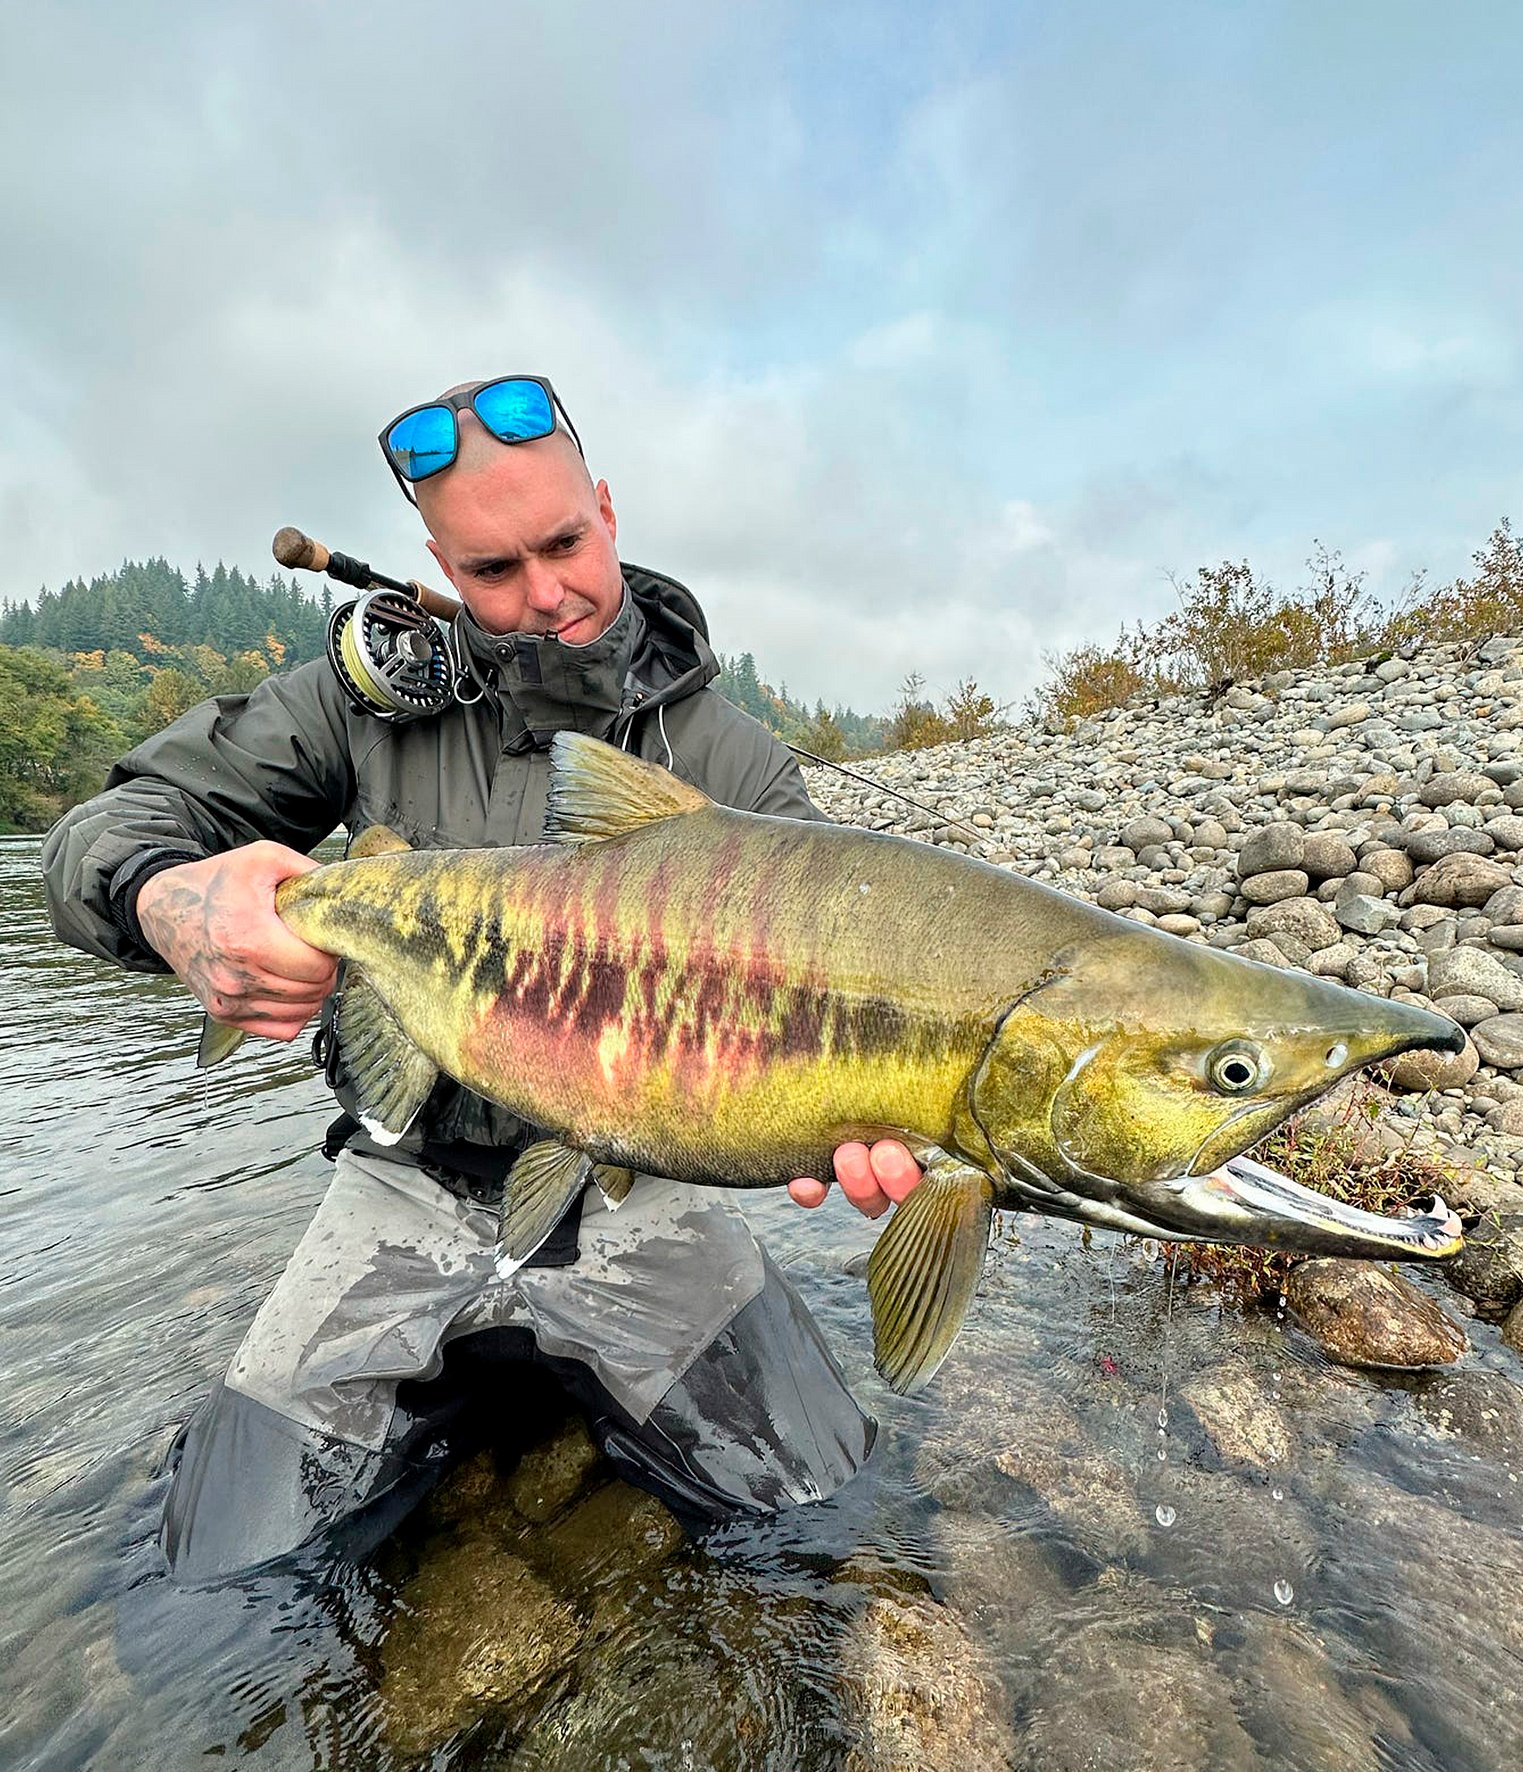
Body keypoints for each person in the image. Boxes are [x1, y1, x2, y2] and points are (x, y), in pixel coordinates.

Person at [42, 373, 921, 1586]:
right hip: (401, 1184)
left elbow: (838, 1000)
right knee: (214, 1569)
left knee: (827, 1518)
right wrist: (166, 898)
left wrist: (849, 1122)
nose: (545, 595)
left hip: (639, 1194)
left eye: (563, 543)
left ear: (607, 508)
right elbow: (110, 825)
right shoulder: (360, 704)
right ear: (440, 565)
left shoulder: (737, 765)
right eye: (493, 571)